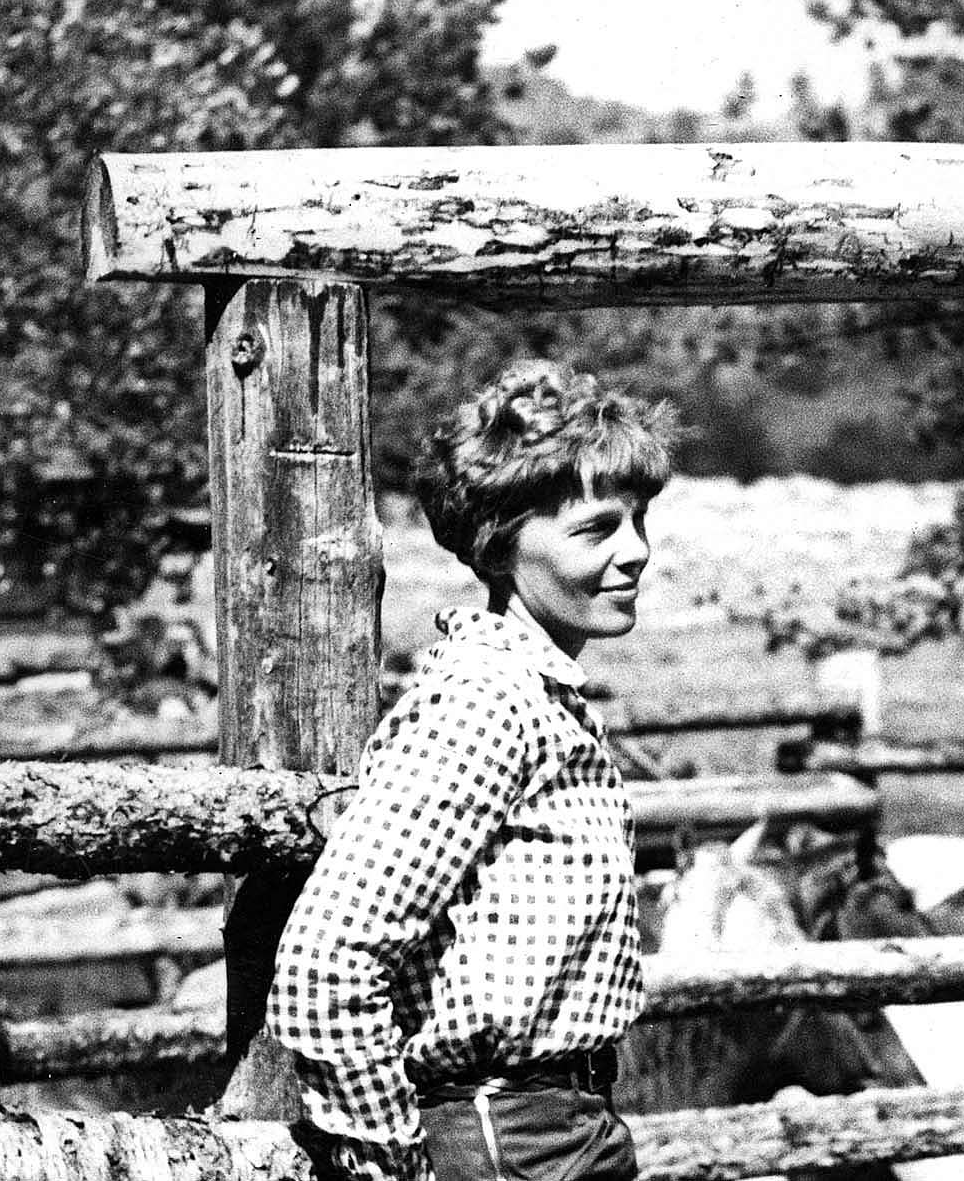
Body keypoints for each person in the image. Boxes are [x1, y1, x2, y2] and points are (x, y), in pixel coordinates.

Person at [268, 359, 678, 1181]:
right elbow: (326, 963)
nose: (635, 553)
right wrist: (391, 1158)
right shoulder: (482, 704)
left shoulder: (542, 696)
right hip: (497, 1138)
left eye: (638, 520)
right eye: (596, 530)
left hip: (564, 1126)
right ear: (500, 544)